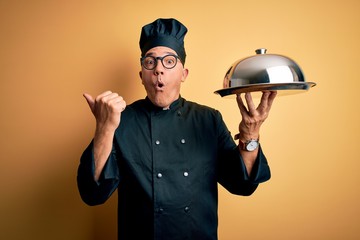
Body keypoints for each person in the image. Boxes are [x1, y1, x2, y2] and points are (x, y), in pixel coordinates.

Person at [77, 18, 277, 240]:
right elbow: (92, 193)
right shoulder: (121, 121)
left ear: (184, 74)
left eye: (169, 61)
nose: (159, 70)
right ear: (141, 75)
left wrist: (250, 133)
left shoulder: (208, 120)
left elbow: (242, 185)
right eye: (150, 62)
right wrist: (104, 128)